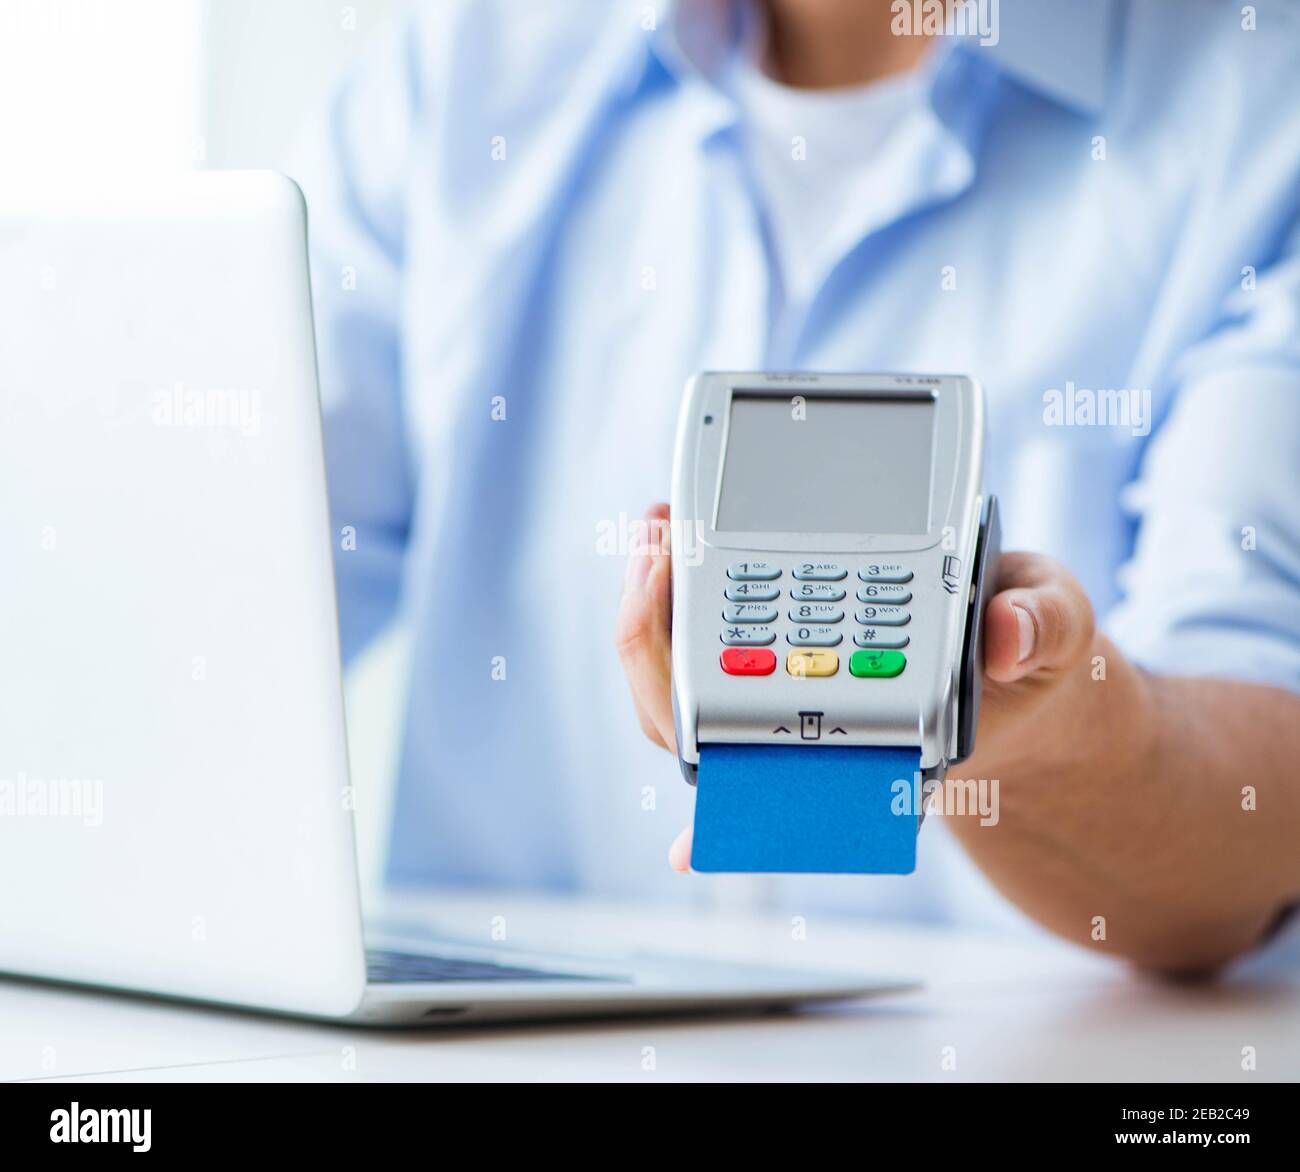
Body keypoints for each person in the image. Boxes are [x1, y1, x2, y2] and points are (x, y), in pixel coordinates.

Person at [294, 0, 1300, 972]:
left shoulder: (1263, 100)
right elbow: (234, 574)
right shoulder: (465, 63)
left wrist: (1030, 732)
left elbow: (1265, 793)